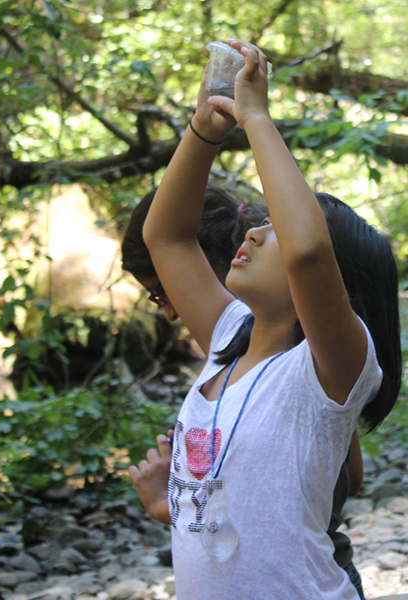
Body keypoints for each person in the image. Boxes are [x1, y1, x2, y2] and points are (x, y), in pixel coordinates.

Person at [131, 38, 401, 600]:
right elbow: (166, 237)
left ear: (335, 281)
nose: (252, 231)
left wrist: (256, 118)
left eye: (274, 226)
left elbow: (307, 252)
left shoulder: (331, 368)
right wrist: (204, 131)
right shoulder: (231, 337)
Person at [123, 187, 368, 597]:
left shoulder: (313, 362)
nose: (167, 308)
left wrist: (252, 119)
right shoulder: (229, 348)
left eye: (163, 290)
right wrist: (176, 505)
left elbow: (349, 475)